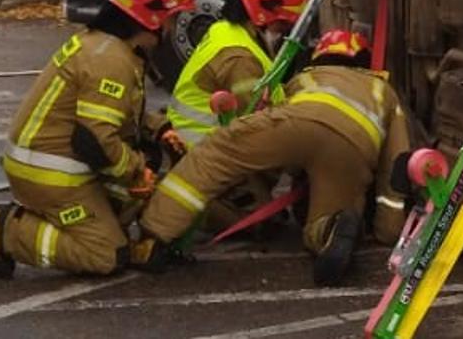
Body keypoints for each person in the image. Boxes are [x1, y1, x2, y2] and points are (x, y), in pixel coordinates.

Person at [131, 29, 413, 285]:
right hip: (352, 146)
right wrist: (388, 228)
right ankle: (331, 228)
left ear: (320, 56)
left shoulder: (306, 77)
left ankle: (153, 236)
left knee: (215, 155)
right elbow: (396, 162)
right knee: (324, 220)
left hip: (296, 121)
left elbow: (278, 138)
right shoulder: (384, 92)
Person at [0, 0, 194, 278]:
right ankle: (5, 230)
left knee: (142, 169)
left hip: (54, 163)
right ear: (154, 16)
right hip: (52, 174)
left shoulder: (111, 47)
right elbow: (94, 141)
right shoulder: (111, 60)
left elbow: (117, 112)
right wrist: (136, 172)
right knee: (106, 255)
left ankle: (96, 222)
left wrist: (159, 130)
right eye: (174, 17)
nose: (175, 26)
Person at [164, 0, 310, 150]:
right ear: (265, 15)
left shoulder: (226, 29)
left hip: (192, 135)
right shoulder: (239, 59)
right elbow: (256, 122)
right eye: (282, 25)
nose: (283, 32)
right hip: (201, 146)